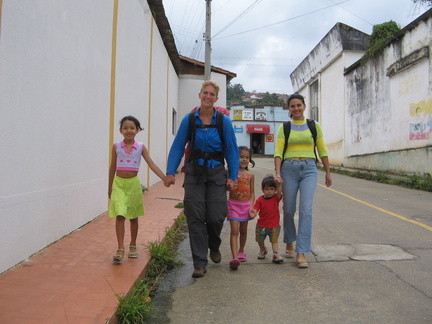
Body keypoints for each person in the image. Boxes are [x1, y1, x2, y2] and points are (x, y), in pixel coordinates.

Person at [165, 80, 239, 278]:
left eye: (212, 94)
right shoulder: (189, 120)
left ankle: (214, 244)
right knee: (195, 217)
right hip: (194, 174)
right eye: (205, 93)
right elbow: (178, 147)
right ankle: (199, 262)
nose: (208, 96)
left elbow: (232, 150)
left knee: (216, 216)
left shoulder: (223, 121)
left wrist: (233, 176)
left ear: (216, 98)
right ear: (199, 95)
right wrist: (170, 171)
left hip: (216, 173)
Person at [274, 93, 332, 268]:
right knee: (289, 210)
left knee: (306, 210)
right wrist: (277, 174)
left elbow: (322, 150)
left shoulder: (314, 126)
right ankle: (290, 239)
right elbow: (278, 152)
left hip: (309, 170)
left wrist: (328, 172)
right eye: (293, 106)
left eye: (299, 105)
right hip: (289, 169)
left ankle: (302, 252)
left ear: (304, 106)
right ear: (289, 109)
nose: (296, 108)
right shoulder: (284, 128)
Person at [108, 115, 167, 265]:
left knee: (133, 216)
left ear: (137, 130)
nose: (129, 130)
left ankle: (132, 244)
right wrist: (109, 188)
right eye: (125, 128)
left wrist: (164, 178)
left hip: (134, 185)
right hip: (119, 185)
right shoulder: (116, 146)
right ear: (120, 130)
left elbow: (152, 164)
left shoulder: (140, 147)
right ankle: (120, 247)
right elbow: (112, 167)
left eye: (132, 128)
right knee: (120, 215)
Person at [227, 146, 255, 270]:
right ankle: (234, 257)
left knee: (243, 231)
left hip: (246, 206)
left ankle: (241, 250)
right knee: (234, 231)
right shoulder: (231, 173)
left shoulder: (250, 175)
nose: (244, 159)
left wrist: (252, 207)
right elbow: (226, 188)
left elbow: (252, 193)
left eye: (247, 157)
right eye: (241, 157)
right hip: (233, 205)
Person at [180, 106, 230, 173]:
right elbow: (228, 148)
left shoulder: (194, 115)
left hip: (204, 166)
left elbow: (188, 149)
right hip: (213, 166)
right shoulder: (223, 116)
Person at [250, 174, 284, 264]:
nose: (269, 192)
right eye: (267, 189)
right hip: (262, 225)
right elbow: (256, 208)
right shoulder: (260, 199)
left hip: (274, 225)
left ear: (275, 190)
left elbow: (280, 192)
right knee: (260, 240)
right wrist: (253, 213)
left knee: (274, 240)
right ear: (262, 190)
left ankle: (276, 254)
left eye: (272, 189)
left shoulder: (276, 198)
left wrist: (279, 184)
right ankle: (263, 249)